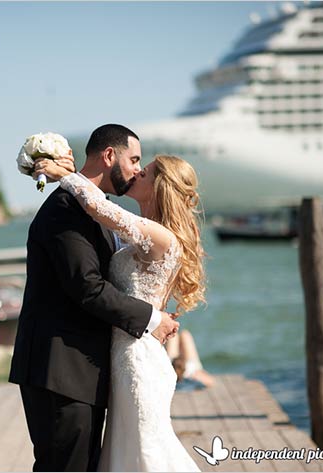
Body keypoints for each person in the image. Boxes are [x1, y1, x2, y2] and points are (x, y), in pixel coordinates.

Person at [8, 124, 180, 472]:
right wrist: (152, 319)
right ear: (109, 156)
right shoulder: (65, 208)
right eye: (133, 159)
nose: (136, 169)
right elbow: (87, 287)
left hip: (86, 370)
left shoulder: (96, 210)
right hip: (60, 369)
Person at [35, 149, 206, 471]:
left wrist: (63, 175)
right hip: (123, 352)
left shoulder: (158, 236)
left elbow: (96, 205)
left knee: (143, 448)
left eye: (146, 172)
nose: (137, 173)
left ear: (160, 188)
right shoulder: (144, 234)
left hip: (135, 357)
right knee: (126, 448)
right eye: (138, 165)